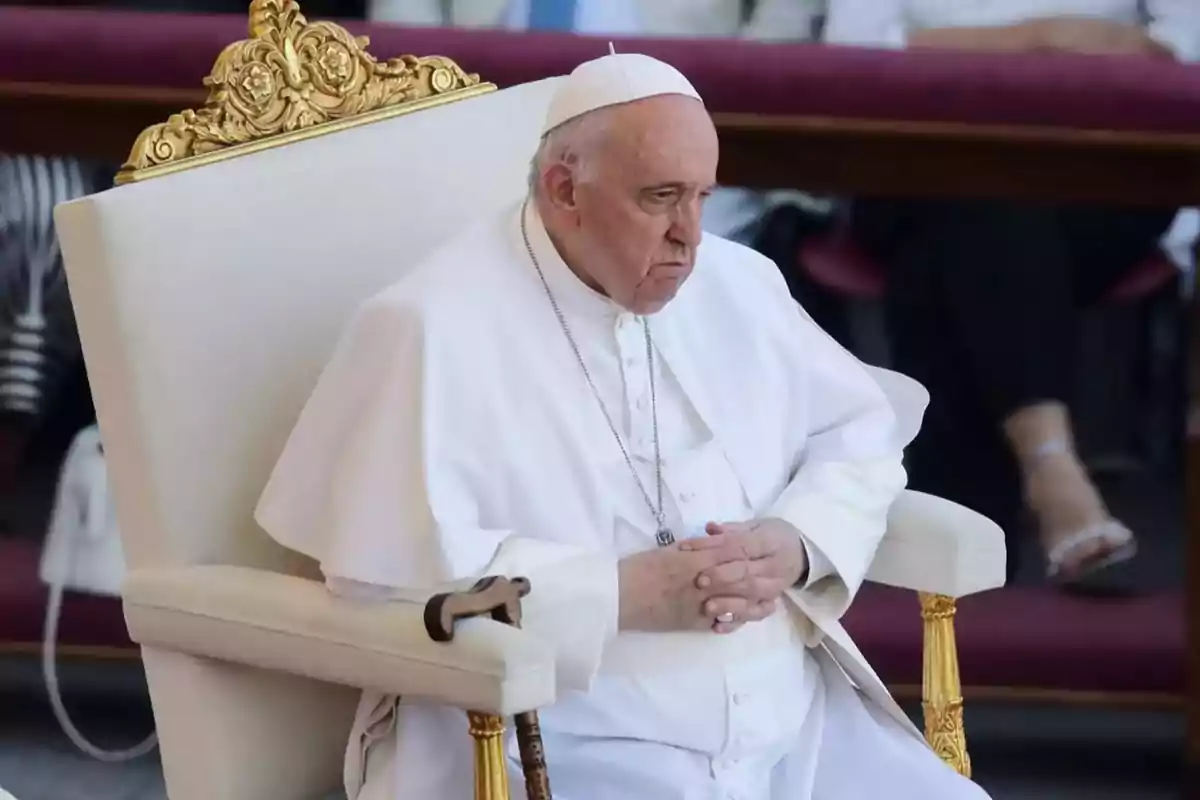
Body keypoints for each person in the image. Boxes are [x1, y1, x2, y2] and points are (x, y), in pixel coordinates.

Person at [255, 53, 989, 799]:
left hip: (793, 728)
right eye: (661, 197)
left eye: (703, 196)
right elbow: (382, 584)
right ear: (564, 189)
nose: (689, 237)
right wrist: (612, 594)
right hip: (564, 738)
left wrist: (795, 543)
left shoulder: (738, 284)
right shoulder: (428, 326)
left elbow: (858, 436)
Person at [823, 0, 1199, 589]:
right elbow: (852, 50)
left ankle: (963, 572)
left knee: (950, 252)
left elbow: (1184, 44)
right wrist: (1040, 39)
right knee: (983, 185)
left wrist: (986, 52)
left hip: (1104, 163)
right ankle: (1053, 471)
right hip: (914, 148)